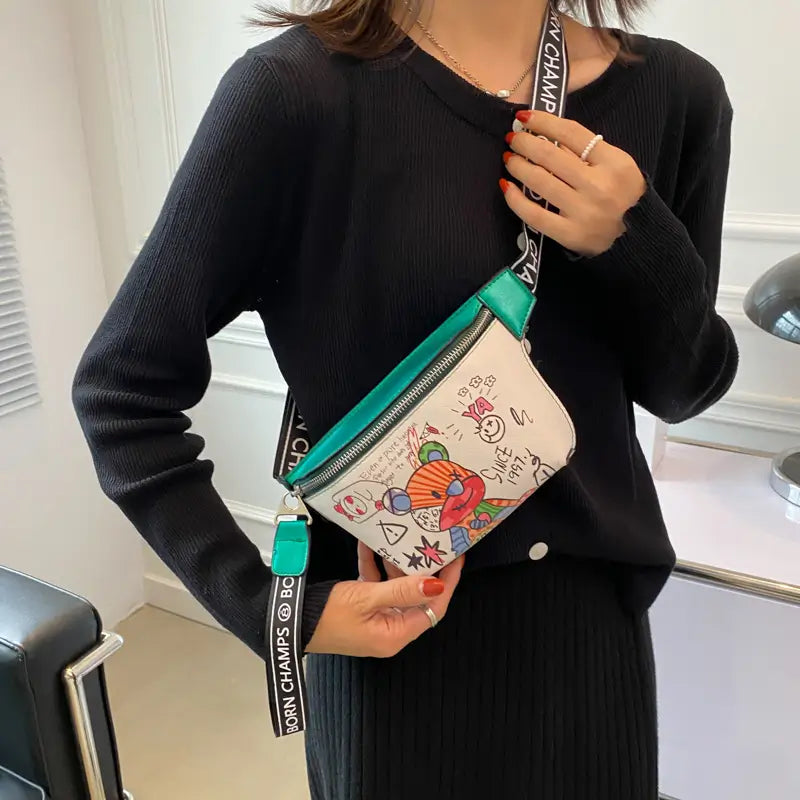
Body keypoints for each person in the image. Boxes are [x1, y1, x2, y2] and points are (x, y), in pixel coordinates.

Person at [72, 0, 738, 797]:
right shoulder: (295, 94)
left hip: (595, 644)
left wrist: (635, 237)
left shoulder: (678, 95)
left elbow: (685, 388)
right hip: (395, 645)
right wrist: (267, 607)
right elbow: (122, 391)